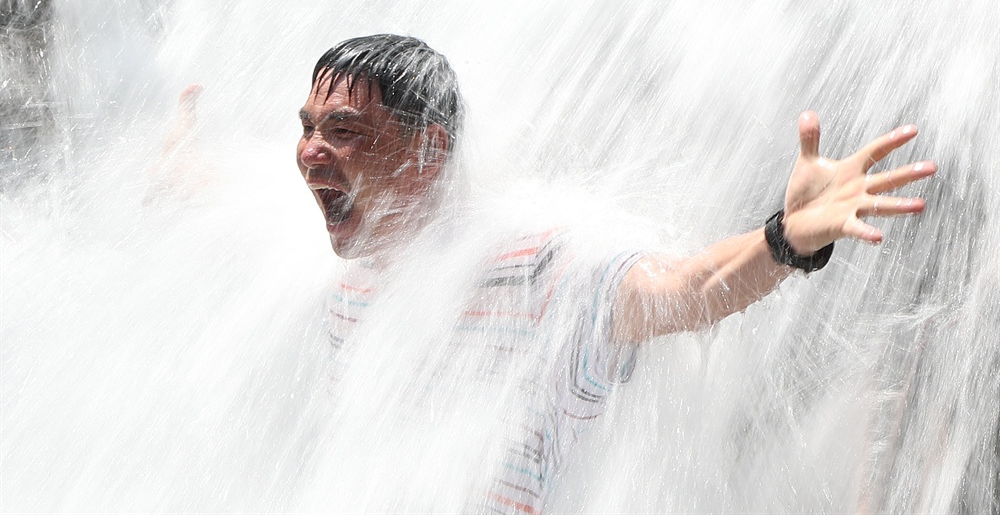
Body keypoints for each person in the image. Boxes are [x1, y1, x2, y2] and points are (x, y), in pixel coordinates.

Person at [297, 34, 936, 513]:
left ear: (430, 151)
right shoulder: (354, 293)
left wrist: (786, 239)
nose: (310, 151)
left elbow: (686, 291)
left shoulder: (538, 271)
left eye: (343, 129)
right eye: (306, 128)